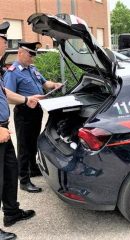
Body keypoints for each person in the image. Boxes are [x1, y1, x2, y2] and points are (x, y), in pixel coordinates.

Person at [4, 41, 63, 194]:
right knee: (24, 146)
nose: (32, 58)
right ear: (20, 53)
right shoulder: (13, 72)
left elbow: (44, 83)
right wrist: (27, 98)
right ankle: (23, 180)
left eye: (33, 55)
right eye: (30, 55)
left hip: (36, 111)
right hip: (24, 113)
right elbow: (8, 96)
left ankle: (32, 168)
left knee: (33, 143)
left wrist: (54, 84)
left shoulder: (32, 69)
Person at [0, 22, 41, 240]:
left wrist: (27, 99)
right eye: (3, 40)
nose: (6, 43)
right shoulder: (12, 70)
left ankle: (12, 213)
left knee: (9, 172)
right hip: (2, 128)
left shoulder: (1, 67)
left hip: (5, 128)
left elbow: (4, 93)